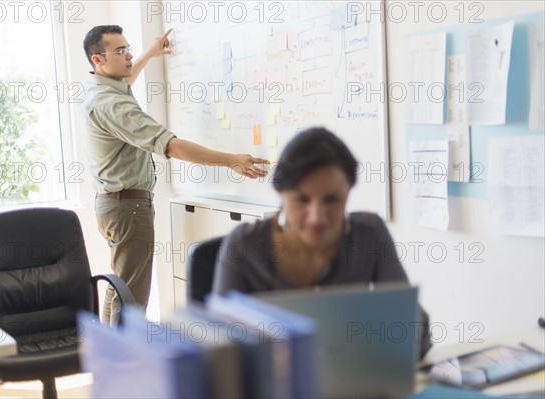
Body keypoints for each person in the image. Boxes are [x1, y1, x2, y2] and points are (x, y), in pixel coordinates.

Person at [81, 25, 268, 325]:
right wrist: (230, 159)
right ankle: (123, 365)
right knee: (131, 297)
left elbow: (127, 76)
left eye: (128, 48)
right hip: (127, 209)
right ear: (98, 59)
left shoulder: (101, 87)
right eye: (120, 51)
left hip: (115, 203)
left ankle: (106, 356)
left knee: (121, 287)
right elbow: (170, 145)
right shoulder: (112, 104)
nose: (129, 55)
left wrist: (149, 54)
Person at [212, 127, 432, 357]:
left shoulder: (369, 235)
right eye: (302, 199)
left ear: (348, 193)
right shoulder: (244, 246)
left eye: (332, 199)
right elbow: (222, 354)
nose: (317, 217)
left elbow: (417, 334)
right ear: (281, 194)